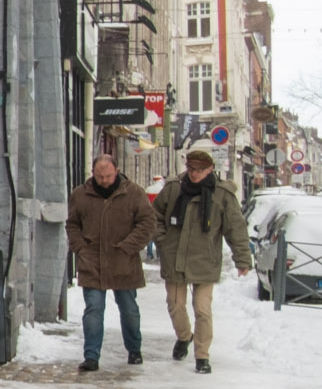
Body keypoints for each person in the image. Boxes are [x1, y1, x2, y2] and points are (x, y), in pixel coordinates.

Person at [152, 149, 251, 374]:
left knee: (202, 309)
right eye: (191, 169)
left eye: (199, 170)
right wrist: (162, 240)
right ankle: (184, 336)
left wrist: (242, 259)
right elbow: (154, 216)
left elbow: (235, 228)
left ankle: (202, 356)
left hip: (205, 259)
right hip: (175, 256)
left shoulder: (222, 194)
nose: (194, 174)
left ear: (210, 170)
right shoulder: (173, 188)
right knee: (175, 305)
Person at [65, 155, 157, 372]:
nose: (104, 180)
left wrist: (128, 246)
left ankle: (134, 349)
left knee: (129, 309)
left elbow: (147, 222)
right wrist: (80, 248)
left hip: (124, 261)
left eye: (107, 176)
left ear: (116, 171)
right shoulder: (80, 195)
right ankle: (91, 356)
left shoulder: (133, 193)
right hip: (92, 262)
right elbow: (72, 225)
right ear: (93, 174)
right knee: (94, 309)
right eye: (99, 176)